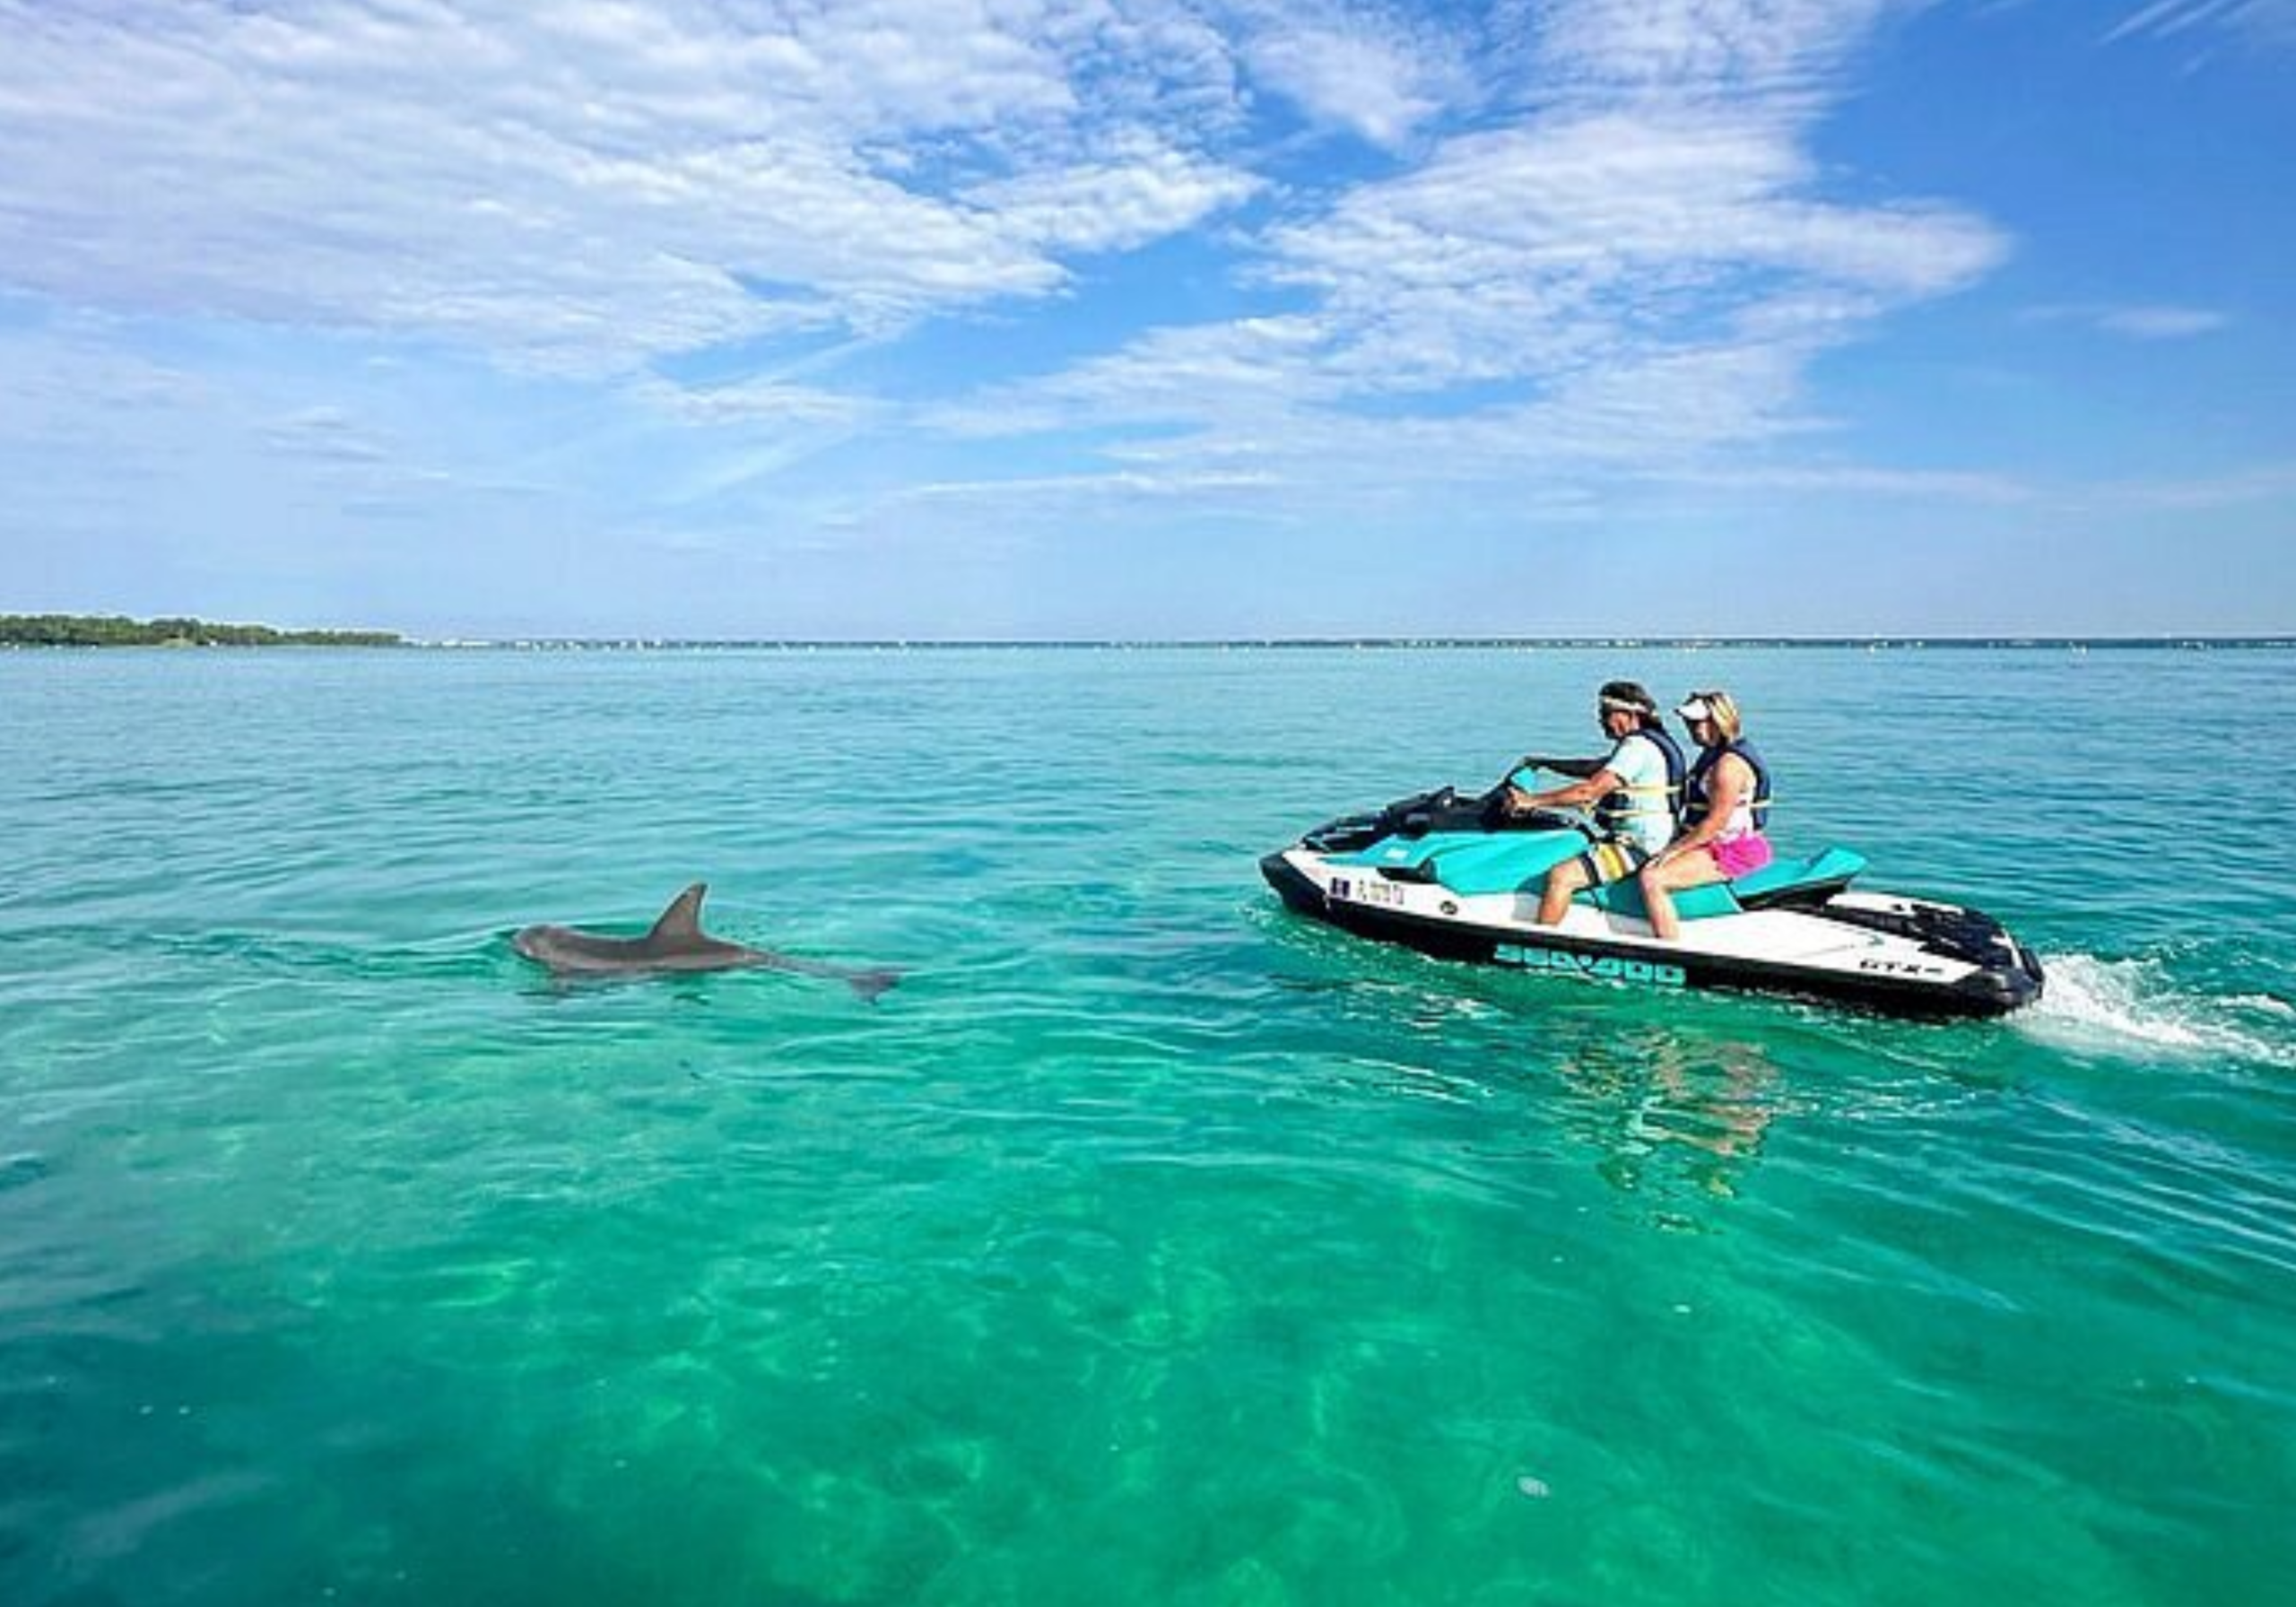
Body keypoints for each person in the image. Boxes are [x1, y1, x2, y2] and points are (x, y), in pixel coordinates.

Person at [1500, 680, 1686, 925]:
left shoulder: (1637, 747)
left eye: (1606, 714)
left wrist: (1531, 801)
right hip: (1647, 838)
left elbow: (1589, 791)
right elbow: (1592, 768)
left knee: (1561, 876)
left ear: (1629, 714)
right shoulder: (1654, 742)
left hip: (1639, 846)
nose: (1601, 721)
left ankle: (1541, 942)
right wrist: (1545, 763)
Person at [1639, 690, 1773, 942]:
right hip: (1718, 844)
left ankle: (1668, 949)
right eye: (1688, 722)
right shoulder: (1715, 754)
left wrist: (1672, 851)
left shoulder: (1728, 765)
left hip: (1732, 850)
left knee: (1652, 877)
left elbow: (1715, 823)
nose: (1690, 728)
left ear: (1719, 719)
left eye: (1697, 722)